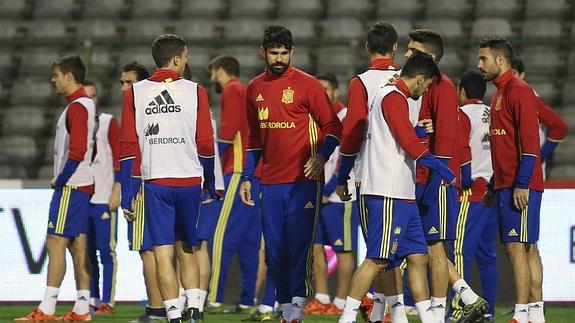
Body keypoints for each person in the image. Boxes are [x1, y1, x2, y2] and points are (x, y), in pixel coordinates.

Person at [338, 52, 454, 323]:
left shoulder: (391, 97)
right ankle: (346, 317)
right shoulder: (392, 96)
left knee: (418, 256)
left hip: (402, 192)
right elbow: (409, 145)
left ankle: (429, 319)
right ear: (420, 78)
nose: (425, 91)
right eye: (426, 86)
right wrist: (442, 169)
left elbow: (397, 135)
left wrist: (418, 132)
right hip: (386, 190)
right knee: (378, 259)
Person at [239, 25, 342, 323]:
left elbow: (334, 127)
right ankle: (286, 310)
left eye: (285, 53)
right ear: (263, 52)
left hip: (304, 183)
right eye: (274, 53)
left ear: (292, 52)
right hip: (269, 183)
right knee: (273, 253)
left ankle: (293, 314)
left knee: (298, 250)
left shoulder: (308, 85)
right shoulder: (255, 88)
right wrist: (248, 175)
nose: (280, 58)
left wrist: (322, 156)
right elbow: (255, 138)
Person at [120, 34, 216, 323]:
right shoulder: (196, 90)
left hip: (156, 181)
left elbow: (128, 146)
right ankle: (196, 311)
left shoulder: (133, 93)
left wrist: (128, 190)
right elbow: (206, 143)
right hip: (188, 180)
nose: (186, 60)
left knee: (162, 251)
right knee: (188, 248)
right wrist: (209, 181)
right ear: (177, 59)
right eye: (185, 56)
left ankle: (173, 315)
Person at [403, 29, 488, 322]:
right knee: (423, 246)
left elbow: (447, 143)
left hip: (433, 180)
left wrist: (432, 185)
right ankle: (467, 296)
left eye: (412, 51)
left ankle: (438, 312)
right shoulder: (416, 86)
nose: (406, 55)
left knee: (435, 246)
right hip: (415, 177)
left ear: (430, 56)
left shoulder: (443, 88)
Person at [17, 55, 96, 321]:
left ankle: (47, 308)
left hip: (72, 186)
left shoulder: (77, 107)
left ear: (69, 76)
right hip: (82, 185)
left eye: (56, 75)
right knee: (77, 246)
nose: (53, 80)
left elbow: (78, 150)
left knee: (55, 241)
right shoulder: (84, 104)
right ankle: (82, 309)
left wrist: (61, 179)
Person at [334, 21, 403, 323]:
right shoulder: (409, 79)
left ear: (366, 48)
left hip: (371, 176)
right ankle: (382, 313)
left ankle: (360, 313)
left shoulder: (361, 82)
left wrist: (342, 175)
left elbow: (353, 131)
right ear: (395, 48)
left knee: (378, 250)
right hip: (408, 178)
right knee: (390, 252)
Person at [478, 37, 546, 323]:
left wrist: (521, 183)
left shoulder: (518, 91)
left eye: (484, 59)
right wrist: (495, 184)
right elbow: (504, 148)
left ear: (501, 60)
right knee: (526, 247)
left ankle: (520, 313)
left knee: (516, 247)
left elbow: (530, 144)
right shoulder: (498, 94)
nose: (479, 64)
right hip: (507, 183)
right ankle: (536, 314)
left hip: (521, 184)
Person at [205, 55, 261, 315]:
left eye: (213, 73)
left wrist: (206, 164)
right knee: (249, 239)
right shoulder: (245, 89)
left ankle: (214, 297)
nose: (212, 78)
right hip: (255, 172)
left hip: (237, 171)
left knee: (220, 236)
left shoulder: (232, 89)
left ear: (221, 70)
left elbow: (229, 131)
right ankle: (248, 300)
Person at [304, 72, 358, 317]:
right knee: (316, 247)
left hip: (338, 197)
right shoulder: (316, 118)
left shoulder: (345, 116)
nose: (323, 94)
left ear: (336, 92)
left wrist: (328, 189)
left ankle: (340, 301)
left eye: (327, 89)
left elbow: (346, 156)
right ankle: (322, 298)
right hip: (318, 193)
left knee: (344, 249)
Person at [118, 61, 168, 323]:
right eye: (123, 83)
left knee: (146, 248)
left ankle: (157, 309)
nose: (125, 88)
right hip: (161, 181)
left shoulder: (137, 110)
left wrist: (129, 191)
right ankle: (171, 305)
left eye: (130, 82)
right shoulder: (155, 109)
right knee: (160, 247)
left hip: (142, 185)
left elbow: (131, 153)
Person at [446, 71, 498, 322]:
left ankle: (458, 309)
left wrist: (463, 181)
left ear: (462, 91)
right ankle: (488, 310)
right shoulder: (492, 113)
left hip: (472, 190)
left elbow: (462, 151)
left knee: (458, 252)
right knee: (487, 255)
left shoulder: (463, 115)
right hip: (492, 189)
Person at [82, 81, 122, 315]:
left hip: (104, 197)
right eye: (87, 96)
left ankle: (109, 300)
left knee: (106, 251)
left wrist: (117, 188)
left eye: (94, 96)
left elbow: (117, 156)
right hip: (84, 198)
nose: (92, 100)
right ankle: (93, 298)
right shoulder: (75, 125)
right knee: (86, 251)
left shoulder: (107, 122)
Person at [511, 58, 568, 176]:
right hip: (512, 166)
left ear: (522, 75)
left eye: (513, 73)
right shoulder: (504, 97)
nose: (510, 78)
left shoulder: (530, 98)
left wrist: (540, 157)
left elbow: (560, 126)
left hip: (529, 171)